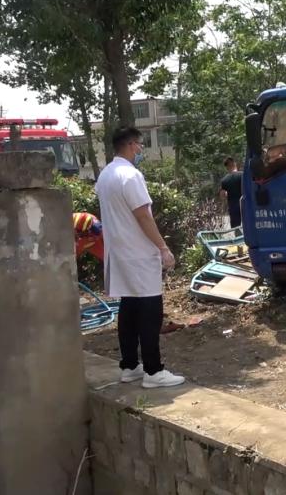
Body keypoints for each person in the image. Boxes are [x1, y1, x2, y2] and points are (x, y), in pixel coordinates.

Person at [95, 126, 185, 389]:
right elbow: (143, 215)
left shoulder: (105, 176)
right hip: (139, 253)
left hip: (119, 253)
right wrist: (162, 247)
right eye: (140, 146)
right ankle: (154, 371)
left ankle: (130, 365)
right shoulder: (130, 176)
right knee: (150, 311)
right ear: (132, 145)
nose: (141, 151)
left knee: (129, 308)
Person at [219, 157, 243, 229]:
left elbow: (222, 195)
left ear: (226, 167)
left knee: (236, 228)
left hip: (233, 207)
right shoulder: (243, 175)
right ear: (234, 163)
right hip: (245, 204)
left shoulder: (224, 180)